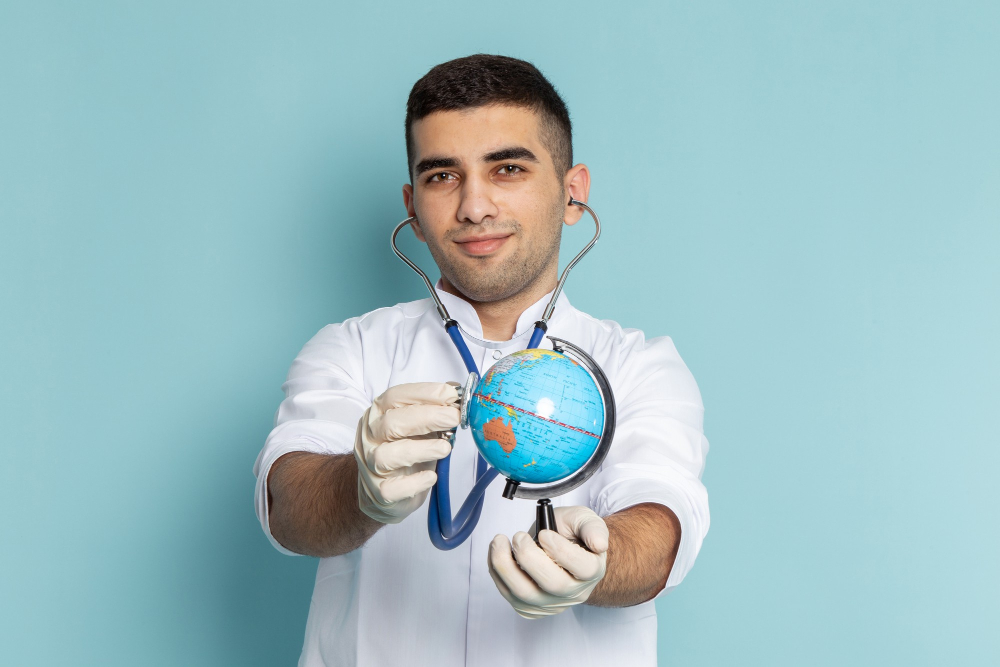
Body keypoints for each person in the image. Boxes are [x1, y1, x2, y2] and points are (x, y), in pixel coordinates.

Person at [253, 54, 710, 667]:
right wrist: (357, 486)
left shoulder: (640, 366)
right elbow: (288, 505)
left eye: (508, 168)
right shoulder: (351, 349)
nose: (474, 207)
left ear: (573, 195)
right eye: (443, 176)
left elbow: (660, 523)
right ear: (412, 208)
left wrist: (596, 563)